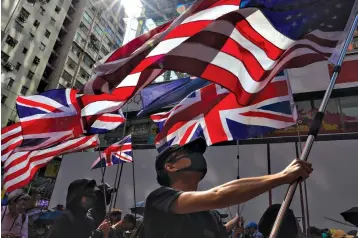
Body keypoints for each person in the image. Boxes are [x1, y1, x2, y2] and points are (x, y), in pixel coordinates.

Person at [143, 137, 313, 238]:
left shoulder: (211, 214)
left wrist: (232, 226)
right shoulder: (160, 198)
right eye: (186, 154)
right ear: (170, 167)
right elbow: (218, 195)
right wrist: (282, 176)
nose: (196, 157)